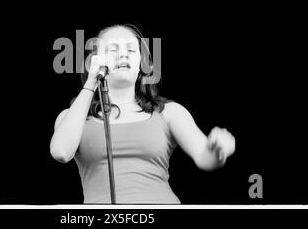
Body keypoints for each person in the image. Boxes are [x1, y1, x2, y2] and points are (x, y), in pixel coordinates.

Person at [50, 24, 236, 204]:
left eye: (131, 50)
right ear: (94, 61)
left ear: (141, 62)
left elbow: (205, 158)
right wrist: (92, 80)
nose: (123, 54)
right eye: (113, 49)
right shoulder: (73, 116)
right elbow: (61, 152)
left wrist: (217, 151)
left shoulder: (168, 112)